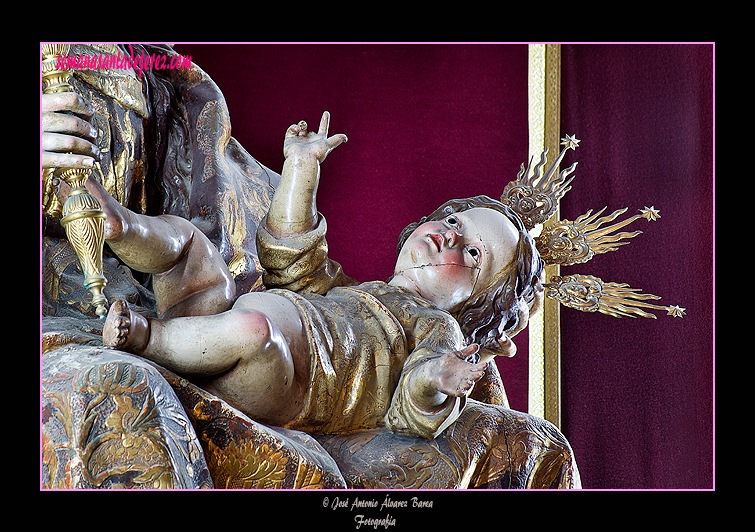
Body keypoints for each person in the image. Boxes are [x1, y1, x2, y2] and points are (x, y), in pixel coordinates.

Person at [102, 111, 544, 439]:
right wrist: (300, 170)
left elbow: (412, 396)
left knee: (255, 330)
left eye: (471, 254)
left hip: (278, 380)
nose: (450, 238)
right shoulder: (353, 292)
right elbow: (293, 261)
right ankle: (113, 223)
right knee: (188, 240)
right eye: (453, 222)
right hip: (209, 323)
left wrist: (437, 381)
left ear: (474, 304)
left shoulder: (436, 326)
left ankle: (146, 338)